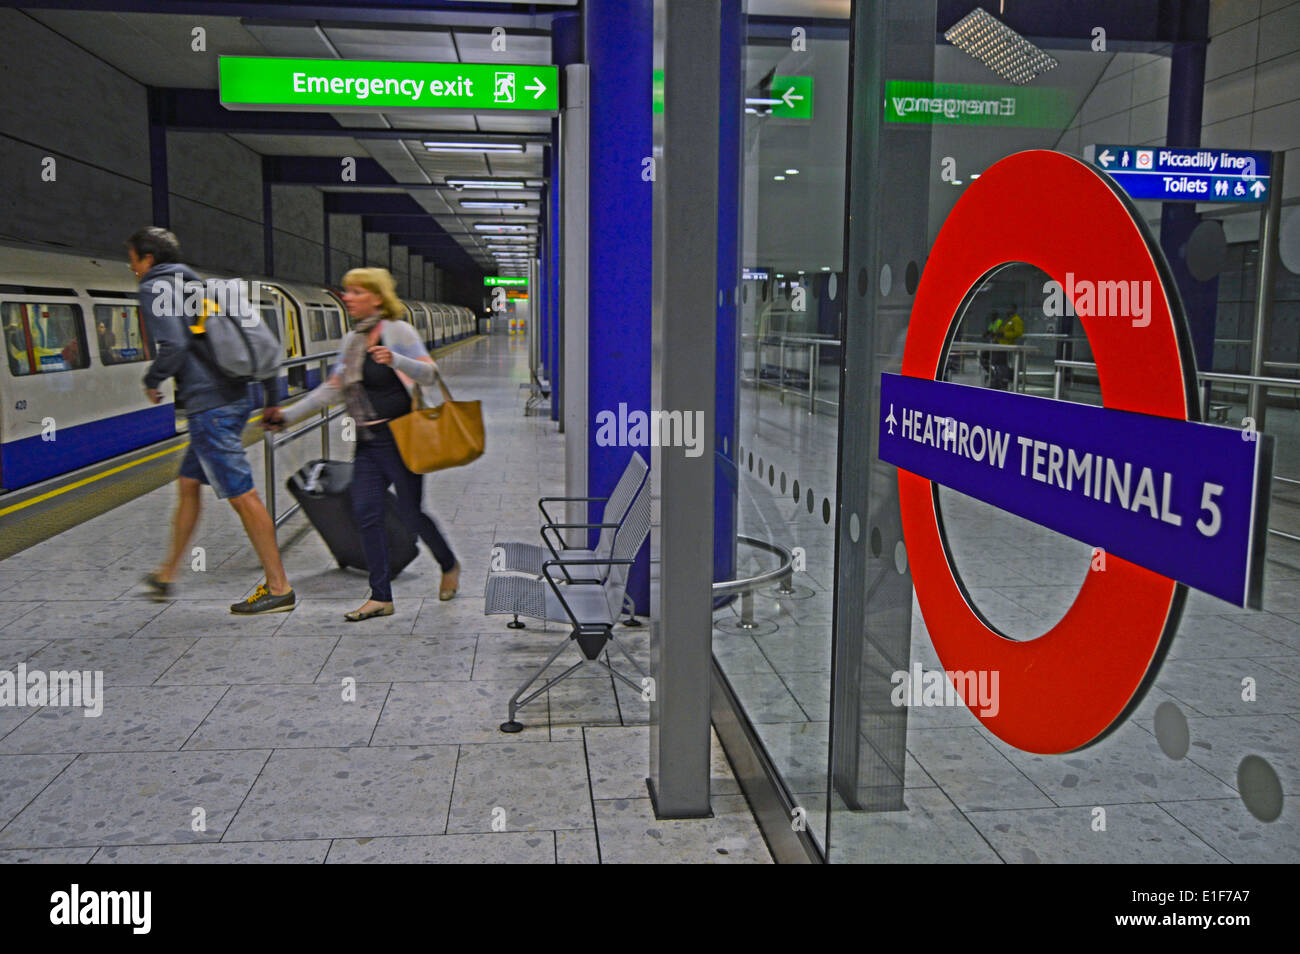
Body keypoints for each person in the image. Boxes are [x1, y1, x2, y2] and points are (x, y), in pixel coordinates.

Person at [264, 268, 459, 621]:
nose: (347, 297)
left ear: (376, 297)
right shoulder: (352, 340)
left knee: (411, 514)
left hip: (402, 439)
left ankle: (448, 564)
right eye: (347, 291)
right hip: (368, 441)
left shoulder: (398, 331)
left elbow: (430, 374)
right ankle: (381, 595)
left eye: (355, 291)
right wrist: (288, 416)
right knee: (366, 511)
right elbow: (333, 388)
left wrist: (395, 359)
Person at [128, 226, 295, 614]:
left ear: (148, 260)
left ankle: (279, 587)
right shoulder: (205, 286)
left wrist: (152, 380)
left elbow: (174, 345)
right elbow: (258, 341)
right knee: (189, 483)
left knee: (242, 494)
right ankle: (167, 574)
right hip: (236, 399)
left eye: (133, 259)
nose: (132, 267)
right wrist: (270, 400)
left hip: (210, 409)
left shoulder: (156, 288)